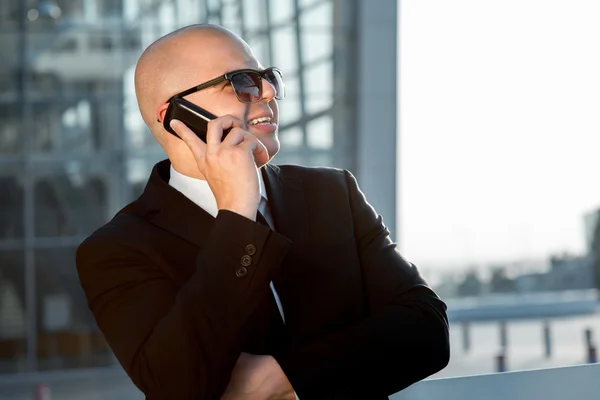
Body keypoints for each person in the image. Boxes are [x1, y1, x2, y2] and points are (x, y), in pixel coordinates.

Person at [76, 24, 449, 400]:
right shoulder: (116, 250)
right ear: (175, 115)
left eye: (267, 78)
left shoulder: (333, 193)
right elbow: (179, 385)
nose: (269, 92)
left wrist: (283, 376)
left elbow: (428, 329)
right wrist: (237, 215)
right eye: (242, 81)